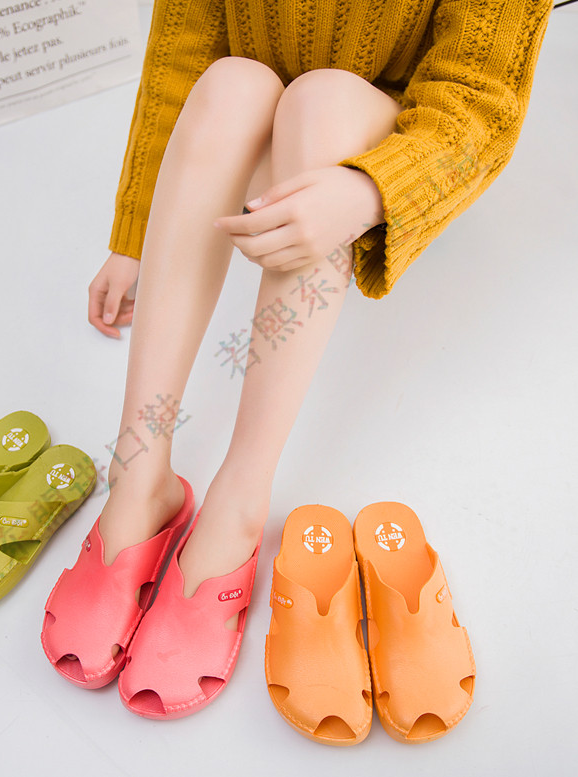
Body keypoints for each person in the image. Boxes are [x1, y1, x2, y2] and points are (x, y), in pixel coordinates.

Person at [41, 0, 554, 719]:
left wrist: (371, 188)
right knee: (230, 83)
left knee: (325, 101)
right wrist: (134, 236)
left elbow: (481, 96)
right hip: (253, 127)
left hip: (377, 141)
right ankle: (139, 479)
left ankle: (238, 504)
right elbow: (181, 53)